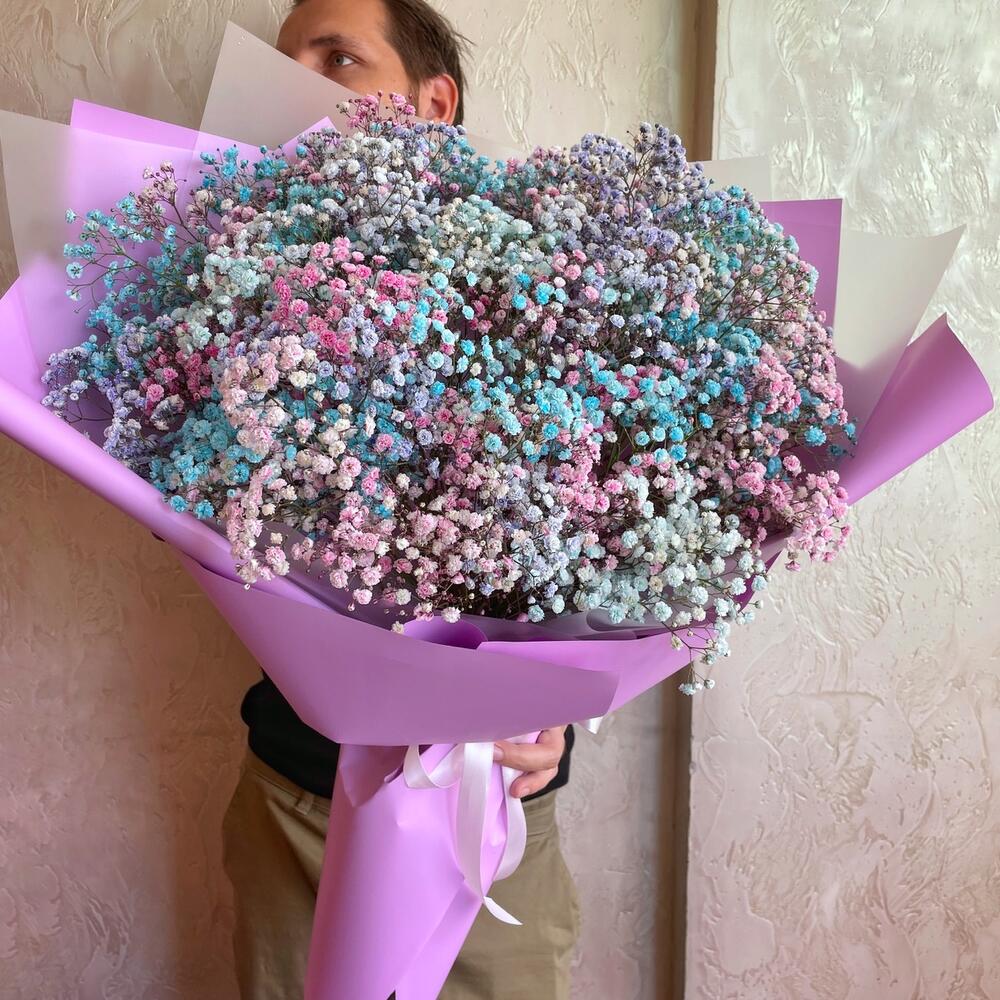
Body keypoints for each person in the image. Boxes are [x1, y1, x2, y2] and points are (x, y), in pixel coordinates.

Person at [220, 2, 580, 998]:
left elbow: (617, 533)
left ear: (434, 102)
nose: (298, 82)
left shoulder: (551, 280)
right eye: (284, 61)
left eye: (337, 58)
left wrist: (555, 712)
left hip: (491, 808)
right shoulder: (231, 282)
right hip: (294, 799)